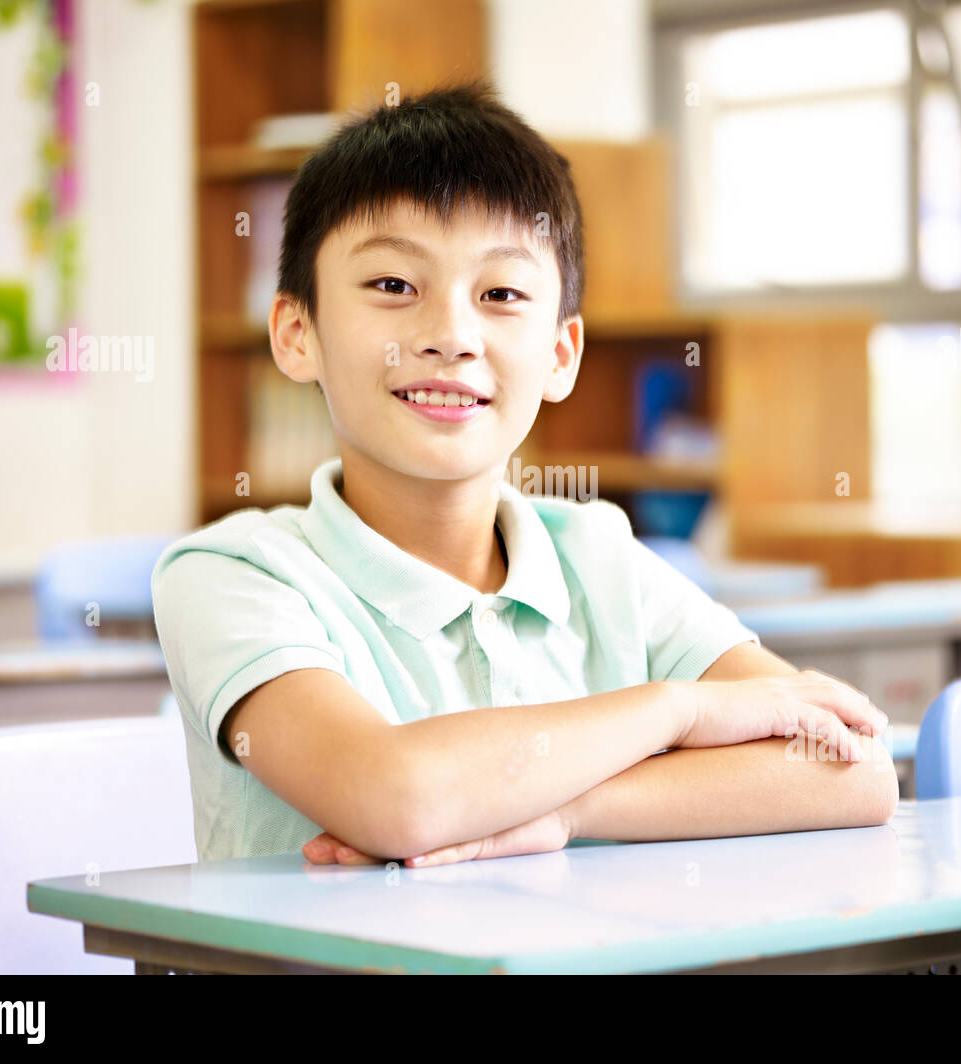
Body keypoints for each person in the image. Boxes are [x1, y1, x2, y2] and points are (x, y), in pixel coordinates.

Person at [151, 79, 897, 868]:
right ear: (297, 333)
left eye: (501, 293)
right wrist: (678, 712)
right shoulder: (229, 578)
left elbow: (854, 769)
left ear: (560, 353)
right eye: (394, 286)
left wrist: (573, 807)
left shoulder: (599, 555)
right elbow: (398, 799)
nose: (451, 334)